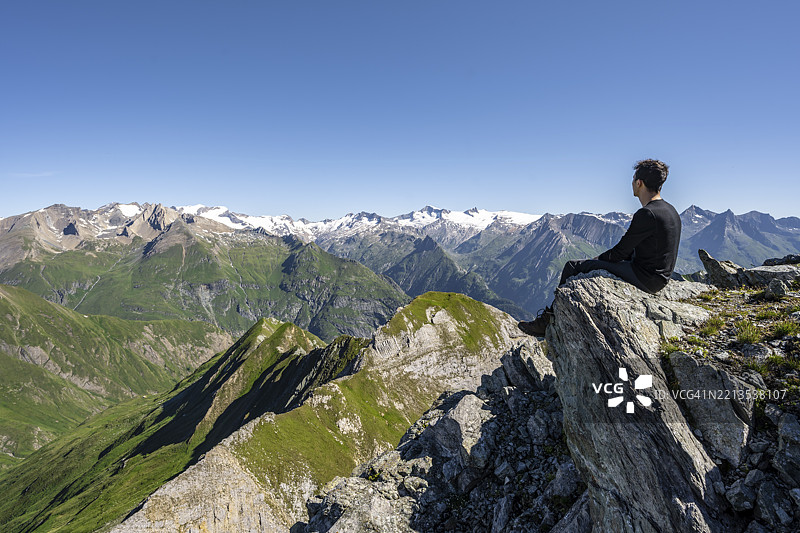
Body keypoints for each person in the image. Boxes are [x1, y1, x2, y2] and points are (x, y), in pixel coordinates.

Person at [518, 159, 682, 336]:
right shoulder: (670, 210)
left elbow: (620, 252)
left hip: (646, 278)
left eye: (633, 179)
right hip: (659, 277)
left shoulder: (647, 213)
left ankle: (546, 321)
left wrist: (595, 261)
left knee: (573, 266)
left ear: (639, 183)